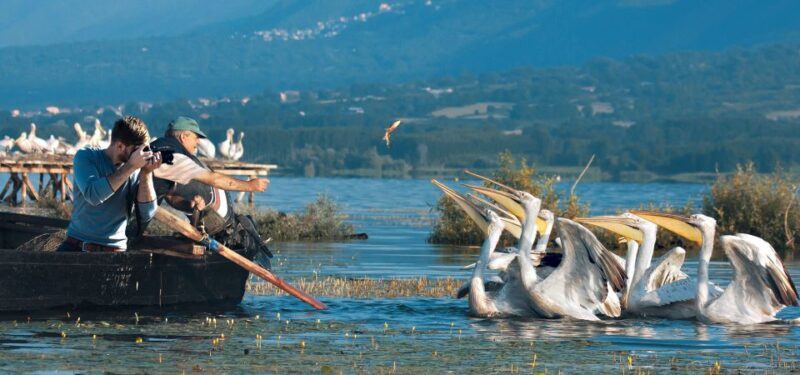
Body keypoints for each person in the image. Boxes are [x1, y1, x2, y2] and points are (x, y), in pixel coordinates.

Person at [146, 116, 271, 258]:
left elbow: (169, 195)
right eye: (196, 137)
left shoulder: (155, 147)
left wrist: (189, 205)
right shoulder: (174, 157)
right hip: (130, 214)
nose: (198, 142)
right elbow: (213, 179)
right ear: (183, 136)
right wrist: (249, 185)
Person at [57, 116, 162, 252]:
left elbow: (147, 214)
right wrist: (130, 166)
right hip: (78, 247)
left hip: (116, 251)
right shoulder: (86, 157)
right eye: (137, 149)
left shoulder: (136, 168)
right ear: (119, 146)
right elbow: (94, 196)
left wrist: (146, 173)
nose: (141, 154)